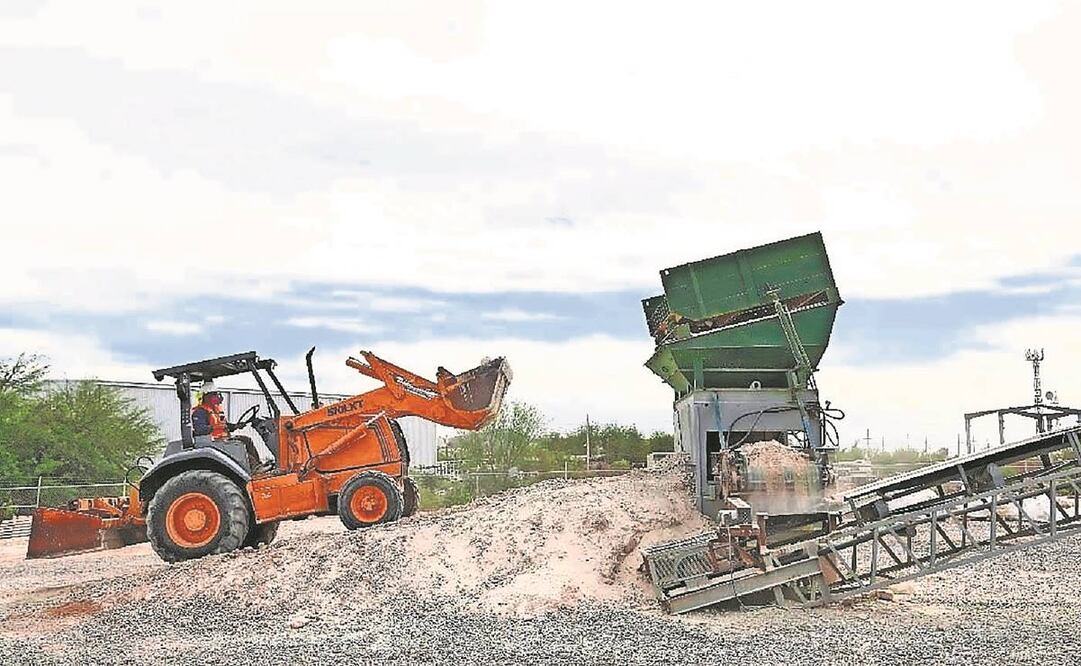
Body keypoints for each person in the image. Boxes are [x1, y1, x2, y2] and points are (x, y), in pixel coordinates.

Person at [192, 381, 274, 472]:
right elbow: (199, 429)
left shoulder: (216, 410)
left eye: (216, 394)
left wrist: (236, 426)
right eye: (214, 394)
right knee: (238, 444)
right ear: (206, 396)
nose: (217, 397)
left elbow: (226, 426)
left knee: (246, 439)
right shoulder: (200, 412)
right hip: (213, 442)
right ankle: (253, 467)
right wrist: (215, 427)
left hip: (224, 438)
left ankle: (258, 465)